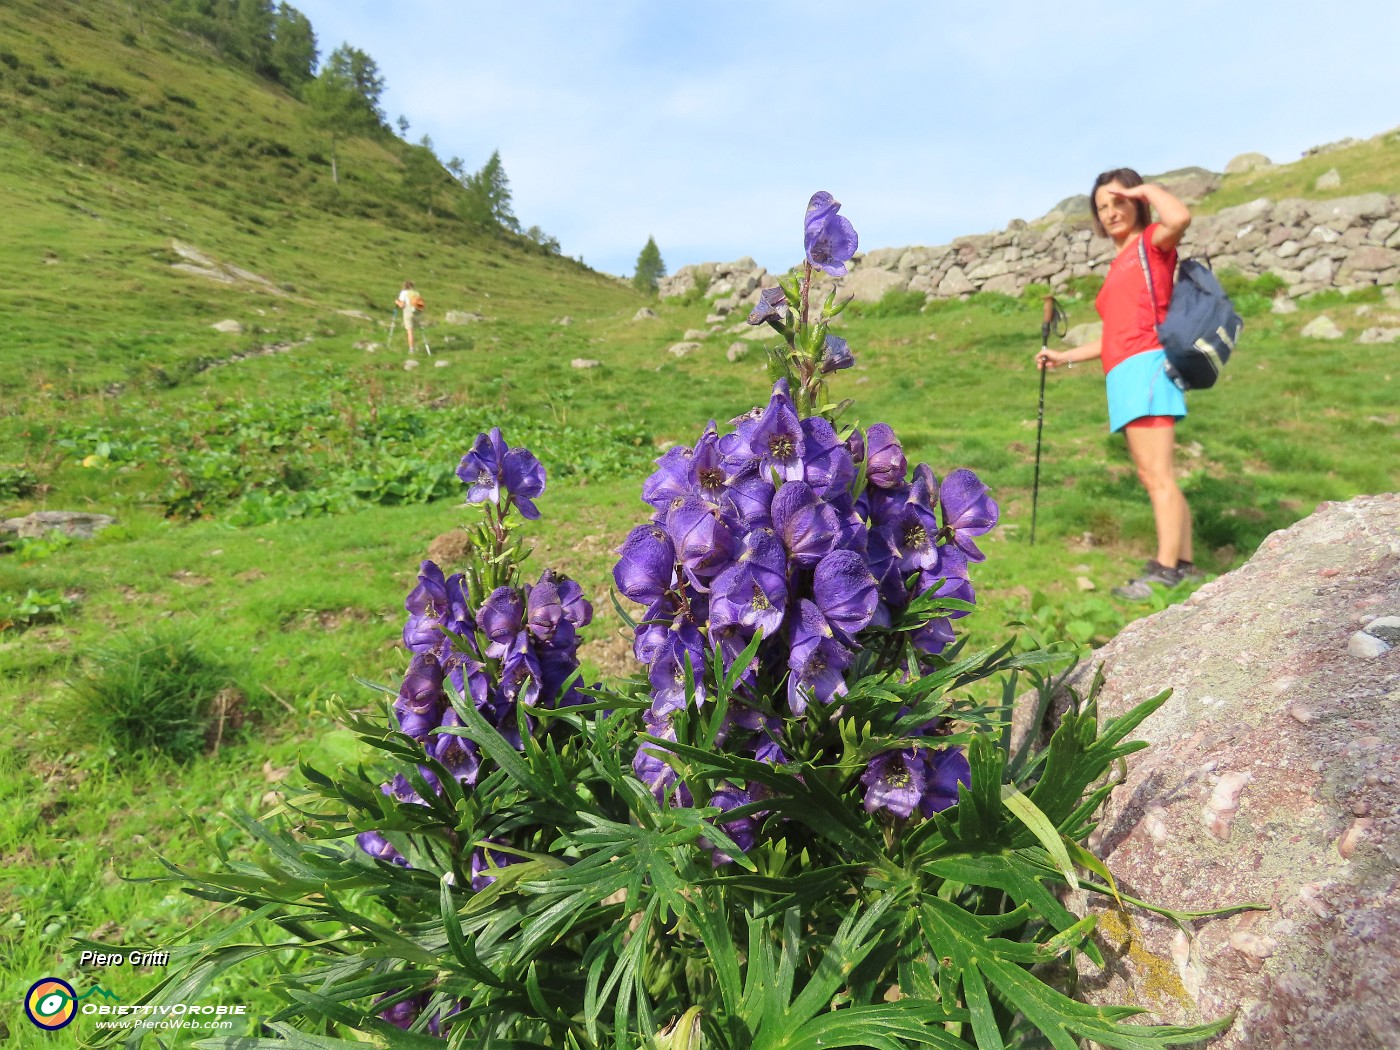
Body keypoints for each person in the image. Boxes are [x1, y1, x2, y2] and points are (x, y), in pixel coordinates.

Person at [1036, 168, 1198, 601]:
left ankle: (1165, 571)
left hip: (1148, 364)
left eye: (1118, 202)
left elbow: (1179, 217)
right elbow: (1113, 336)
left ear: (1137, 202)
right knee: (1153, 474)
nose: (1110, 212)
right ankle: (1182, 562)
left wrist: (1145, 189)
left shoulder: (1151, 244)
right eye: (1102, 207)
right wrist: (1065, 356)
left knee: (1157, 473)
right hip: (1124, 370)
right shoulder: (1121, 260)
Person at [395, 280, 425, 353]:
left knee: (410, 332)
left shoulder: (404, 293)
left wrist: (397, 302)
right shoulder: (416, 293)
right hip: (418, 313)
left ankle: (411, 349)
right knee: (418, 330)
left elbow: (402, 305)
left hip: (408, 312)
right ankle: (423, 345)